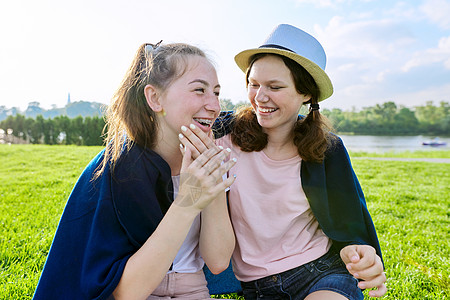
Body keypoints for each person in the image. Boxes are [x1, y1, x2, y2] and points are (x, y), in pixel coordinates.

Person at [32, 41, 237, 300]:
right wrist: (188, 201)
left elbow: (218, 261)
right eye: (199, 90)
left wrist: (212, 184)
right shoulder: (117, 168)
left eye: (216, 93)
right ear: (154, 98)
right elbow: (129, 292)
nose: (214, 105)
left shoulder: (209, 159)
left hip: (193, 289)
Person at [211, 24, 387, 299]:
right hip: (257, 287)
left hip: (321, 273)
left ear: (306, 94)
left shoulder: (327, 149)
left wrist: (358, 252)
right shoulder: (222, 135)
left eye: (275, 86)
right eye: (254, 84)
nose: (260, 97)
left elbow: (350, 222)